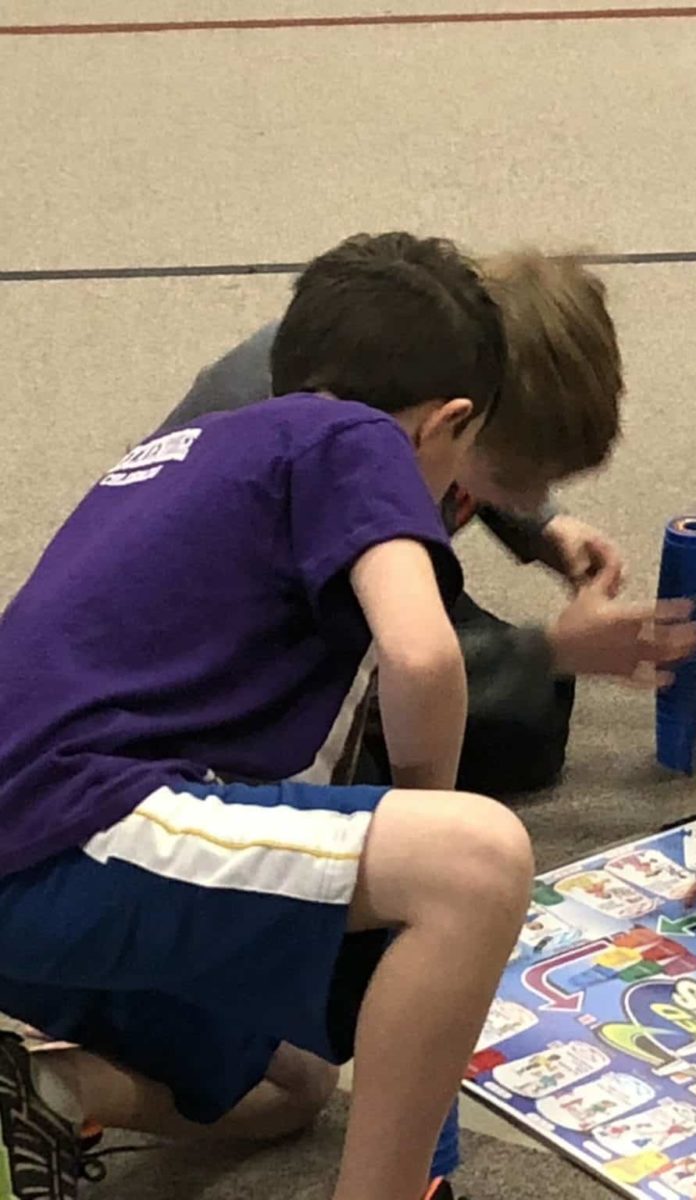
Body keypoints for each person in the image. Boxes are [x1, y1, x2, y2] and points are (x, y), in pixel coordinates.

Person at [0, 232, 633, 1200]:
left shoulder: (223, 440)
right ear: (449, 424)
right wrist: (423, 826)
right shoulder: (353, 437)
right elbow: (420, 656)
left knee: (293, 1082)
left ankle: (39, 1091)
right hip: (66, 827)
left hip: (43, 854)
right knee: (476, 862)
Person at [165, 246, 696, 797]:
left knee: (526, 727)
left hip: (341, 583)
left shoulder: (426, 361)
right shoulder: (325, 455)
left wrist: (541, 524)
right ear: (452, 423)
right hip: (246, 651)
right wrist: (551, 649)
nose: (535, 494)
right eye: (520, 481)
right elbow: (387, 654)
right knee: (359, 783)